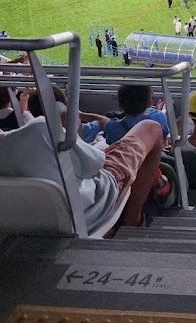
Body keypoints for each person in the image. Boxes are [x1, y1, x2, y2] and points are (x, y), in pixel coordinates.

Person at [0, 92, 163, 231]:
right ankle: (132, 220)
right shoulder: (42, 129)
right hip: (86, 212)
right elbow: (95, 165)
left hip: (20, 222)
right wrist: (71, 131)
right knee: (151, 128)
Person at [105, 84, 170, 145]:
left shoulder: (110, 127)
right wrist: (156, 111)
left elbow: (109, 143)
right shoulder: (158, 116)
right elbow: (163, 140)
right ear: (150, 102)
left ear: (120, 104)